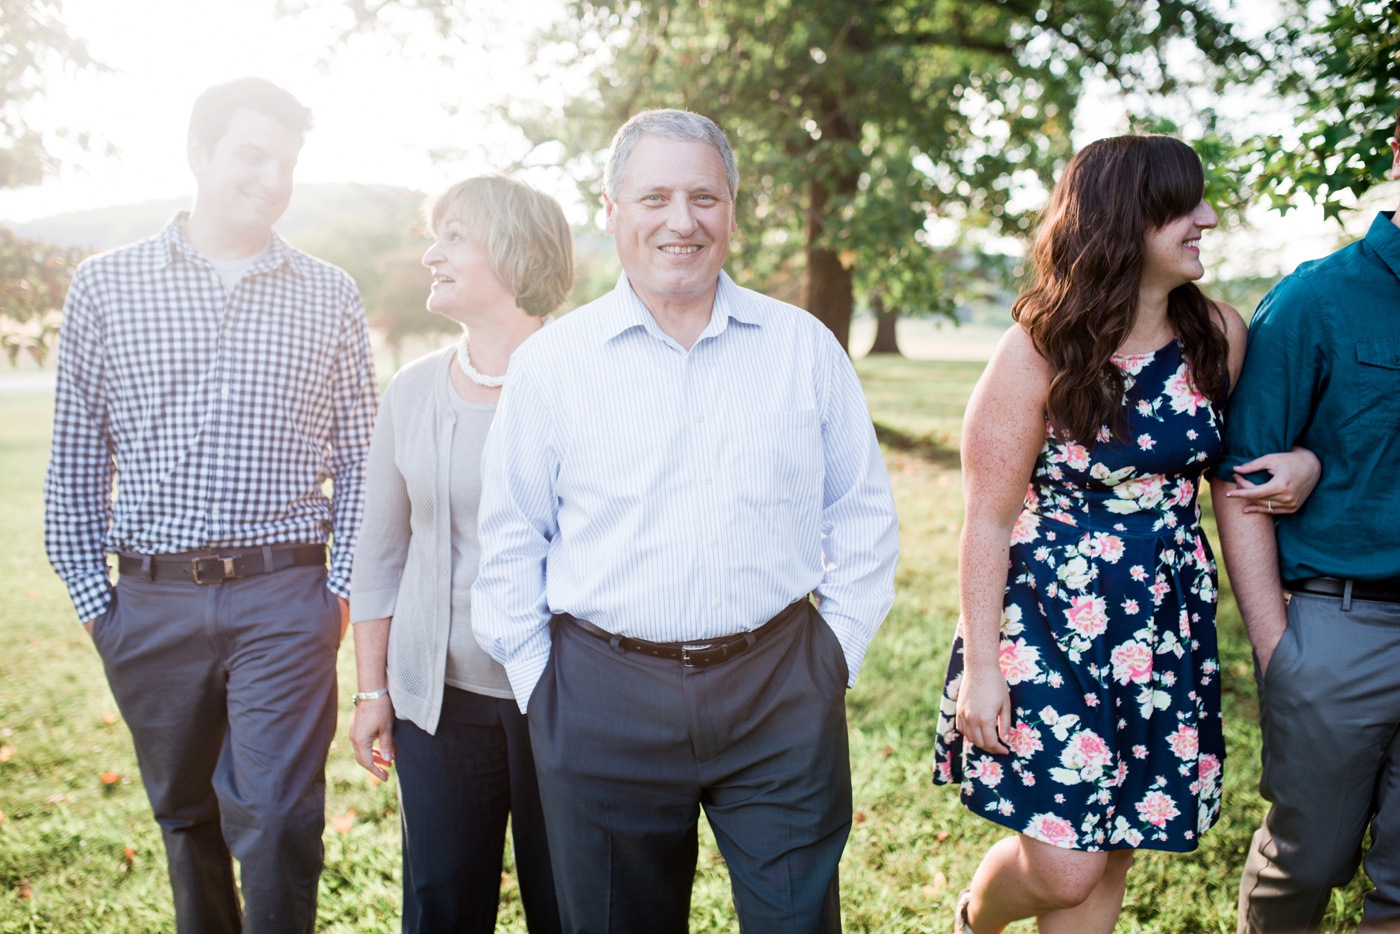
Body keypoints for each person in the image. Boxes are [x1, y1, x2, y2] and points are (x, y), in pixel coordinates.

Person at [471, 108, 899, 933]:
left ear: (732, 212)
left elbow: (862, 514)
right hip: (599, 697)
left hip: (780, 689)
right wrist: (544, 687)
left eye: (704, 197)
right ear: (612, 210)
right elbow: (513, 539)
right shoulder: (553, 366)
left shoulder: (802, 347)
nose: (682, 220)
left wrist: (829, 658)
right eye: (655, 196)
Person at [930, 135, 1319, 934]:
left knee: (1116, 838)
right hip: (1046, 624)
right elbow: (988, 519)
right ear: (1126, 219)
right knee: (1065, 868)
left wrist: (1304, 461)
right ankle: (976, 917)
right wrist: (982, 671)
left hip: (1163, 622)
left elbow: (1237, 467)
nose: (1207, 218)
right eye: (1186, 205)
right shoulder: (1039, 349)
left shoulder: (1220, 333)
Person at [43, 77, 377, 933]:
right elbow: (76, 466)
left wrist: (334, 596)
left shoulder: (329, 293)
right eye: (251, 155)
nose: (272, 178)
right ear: (199, 154)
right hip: (146, 603)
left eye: (287, 163)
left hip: (285, 596)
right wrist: (99, 610)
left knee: (276, 819)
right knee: (185, 817)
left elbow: (365, 462)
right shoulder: (104, 288)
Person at [347, 175, 570, 934]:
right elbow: (378, 554)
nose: (429, 254)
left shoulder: (590, 381)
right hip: (437, 705)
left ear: (513, 251)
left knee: (572, 907)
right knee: (440, 907)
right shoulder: (411, 391)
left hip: (568, 702)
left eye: (453, 236)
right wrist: (372, 691)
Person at [1214, 117, 1400, 933]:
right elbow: (1239, 475)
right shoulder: (1316, 297)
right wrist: (1274, 646)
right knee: (1307, 860)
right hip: (1342, 623)